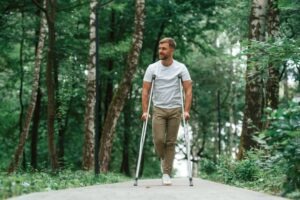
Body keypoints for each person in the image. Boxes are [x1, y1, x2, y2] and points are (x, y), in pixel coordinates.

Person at [141, 37, 192, 185]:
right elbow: (145, 90)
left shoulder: (181, 68)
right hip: (159, 109)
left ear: (171, 50)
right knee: (158, 140)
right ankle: (164, 159)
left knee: (171, 142)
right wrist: (145, 111)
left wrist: (186, 110)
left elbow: (188, 90)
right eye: (159, 48)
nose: (160, 51)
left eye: (163, 48)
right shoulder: (152, 68)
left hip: (176, 109)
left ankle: (166, 173)